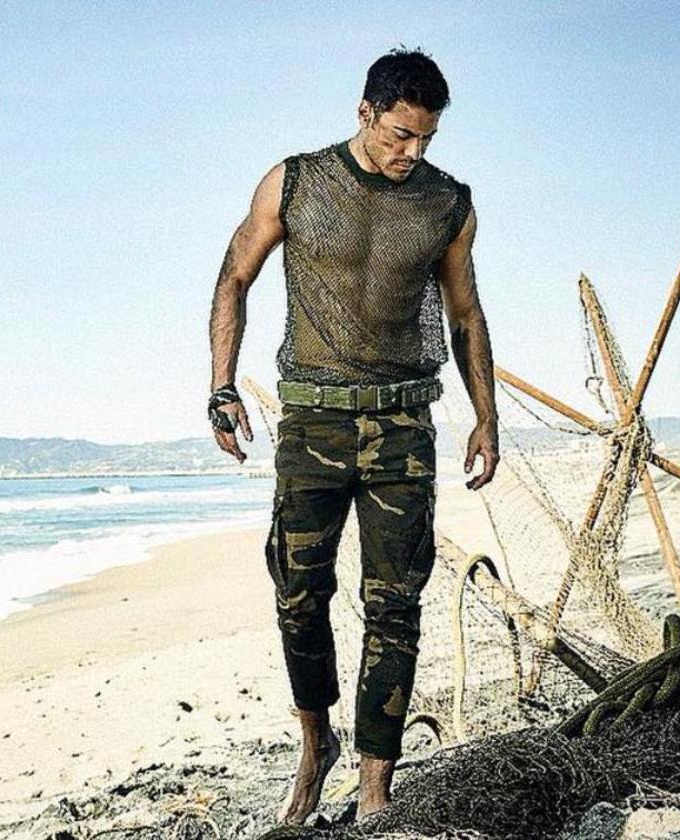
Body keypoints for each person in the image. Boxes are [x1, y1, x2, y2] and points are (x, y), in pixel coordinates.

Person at [206, 48, 499, 825]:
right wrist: (222, 386)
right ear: (365, 112)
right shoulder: (296, 182)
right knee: (298, 596)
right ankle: (316, 745)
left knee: (395, 605)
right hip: (313, 423)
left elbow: (466, 313)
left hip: (403, 425)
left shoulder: (447, 204)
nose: (412, 152)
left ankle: (375, 789)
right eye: (400, 134)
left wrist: (487, 416)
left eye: (425, 138)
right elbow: (235, 276)